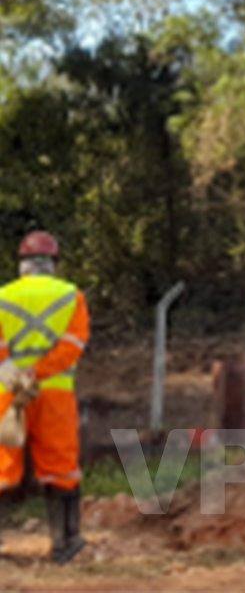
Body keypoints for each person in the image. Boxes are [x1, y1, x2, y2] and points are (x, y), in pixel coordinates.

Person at [0, 232, 90, 564]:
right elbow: (72, 347)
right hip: (54, 394)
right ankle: (66, 543)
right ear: (53, 264)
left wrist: (13, 373)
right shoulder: (71, 296)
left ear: (22, 264)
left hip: (7, 395)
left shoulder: (2, 296)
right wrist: (37, 373)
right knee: (60, 468)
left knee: (1, 468)